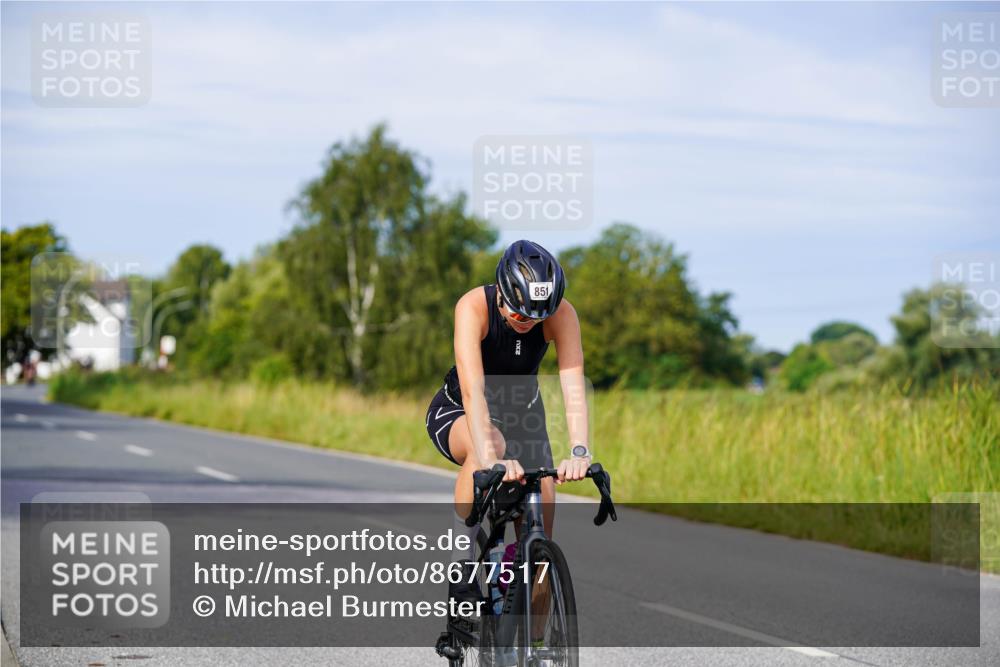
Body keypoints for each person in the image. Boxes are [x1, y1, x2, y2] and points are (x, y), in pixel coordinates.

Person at [425, 239, 592, 603]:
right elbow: (473, 392)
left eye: (536, 318)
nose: (527, 323)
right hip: (460, 410)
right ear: (501, 292)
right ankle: (461, 568)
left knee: (541, 544)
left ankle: (539, 652)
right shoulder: (473, 307)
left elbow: (573, 387)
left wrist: (579, 450)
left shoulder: (561, 315)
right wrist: (490, 457)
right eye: (519, 314)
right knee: (491, 446)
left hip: (523, 416)